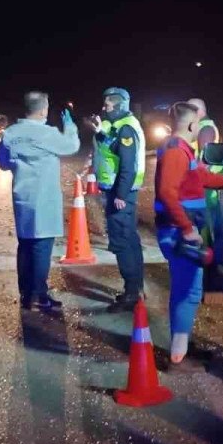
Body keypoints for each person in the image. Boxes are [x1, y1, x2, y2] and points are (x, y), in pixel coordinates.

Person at [155, 102, 223, 367]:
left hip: (179, 228)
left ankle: (179, 343)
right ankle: (178, 352)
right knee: (189, 291)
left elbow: (200, 178)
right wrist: (187, 229)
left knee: (184, 288)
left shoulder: (182, 149)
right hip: (178, 231)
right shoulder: (175, 151)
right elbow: (167, 193)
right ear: (193, 125)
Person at [0, 92, 80, 312]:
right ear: (43, 109)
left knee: (25, 246)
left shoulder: (10, 133)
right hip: (45, 199)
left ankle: (26, 294)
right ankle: (38, 296)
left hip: (22, 198)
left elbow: (2, 163)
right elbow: (71, 146)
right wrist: (69, 126)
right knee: (42, 247)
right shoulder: (47, 134)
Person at [90, 87, 146, 312]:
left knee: (122, 242)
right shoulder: (120, 128)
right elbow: (113, 149)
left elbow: (128, 165)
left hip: (120, 194)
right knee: (130, 239)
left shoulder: (125, 129)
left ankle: (132, 294)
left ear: (120, 105)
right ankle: (136, 289)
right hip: (119, 192)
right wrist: (99, 133)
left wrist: (121, 194)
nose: (104, 108)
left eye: (108, 105)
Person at [187, 97, 223, 300]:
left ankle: (214, 283)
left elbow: (203, 164)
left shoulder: (205, 130)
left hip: (205, 193)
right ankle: (214, 281)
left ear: (197, 111)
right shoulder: (203, 128)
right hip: (205, 191)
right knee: (212, 236)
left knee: (210, 238)